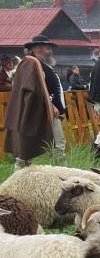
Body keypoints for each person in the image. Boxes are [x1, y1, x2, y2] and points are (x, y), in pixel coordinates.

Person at [4, 35, 67, 168]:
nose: (50, 51)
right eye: (47, 48)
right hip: (38, 112)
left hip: (47, 113)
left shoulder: (43, 65)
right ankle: (19, 178)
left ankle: (60, 175)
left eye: (50, 48)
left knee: (58, 145)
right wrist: (50, 105)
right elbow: (30, 89)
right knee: (26, 148)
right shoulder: (30, 63)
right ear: (36, 49)